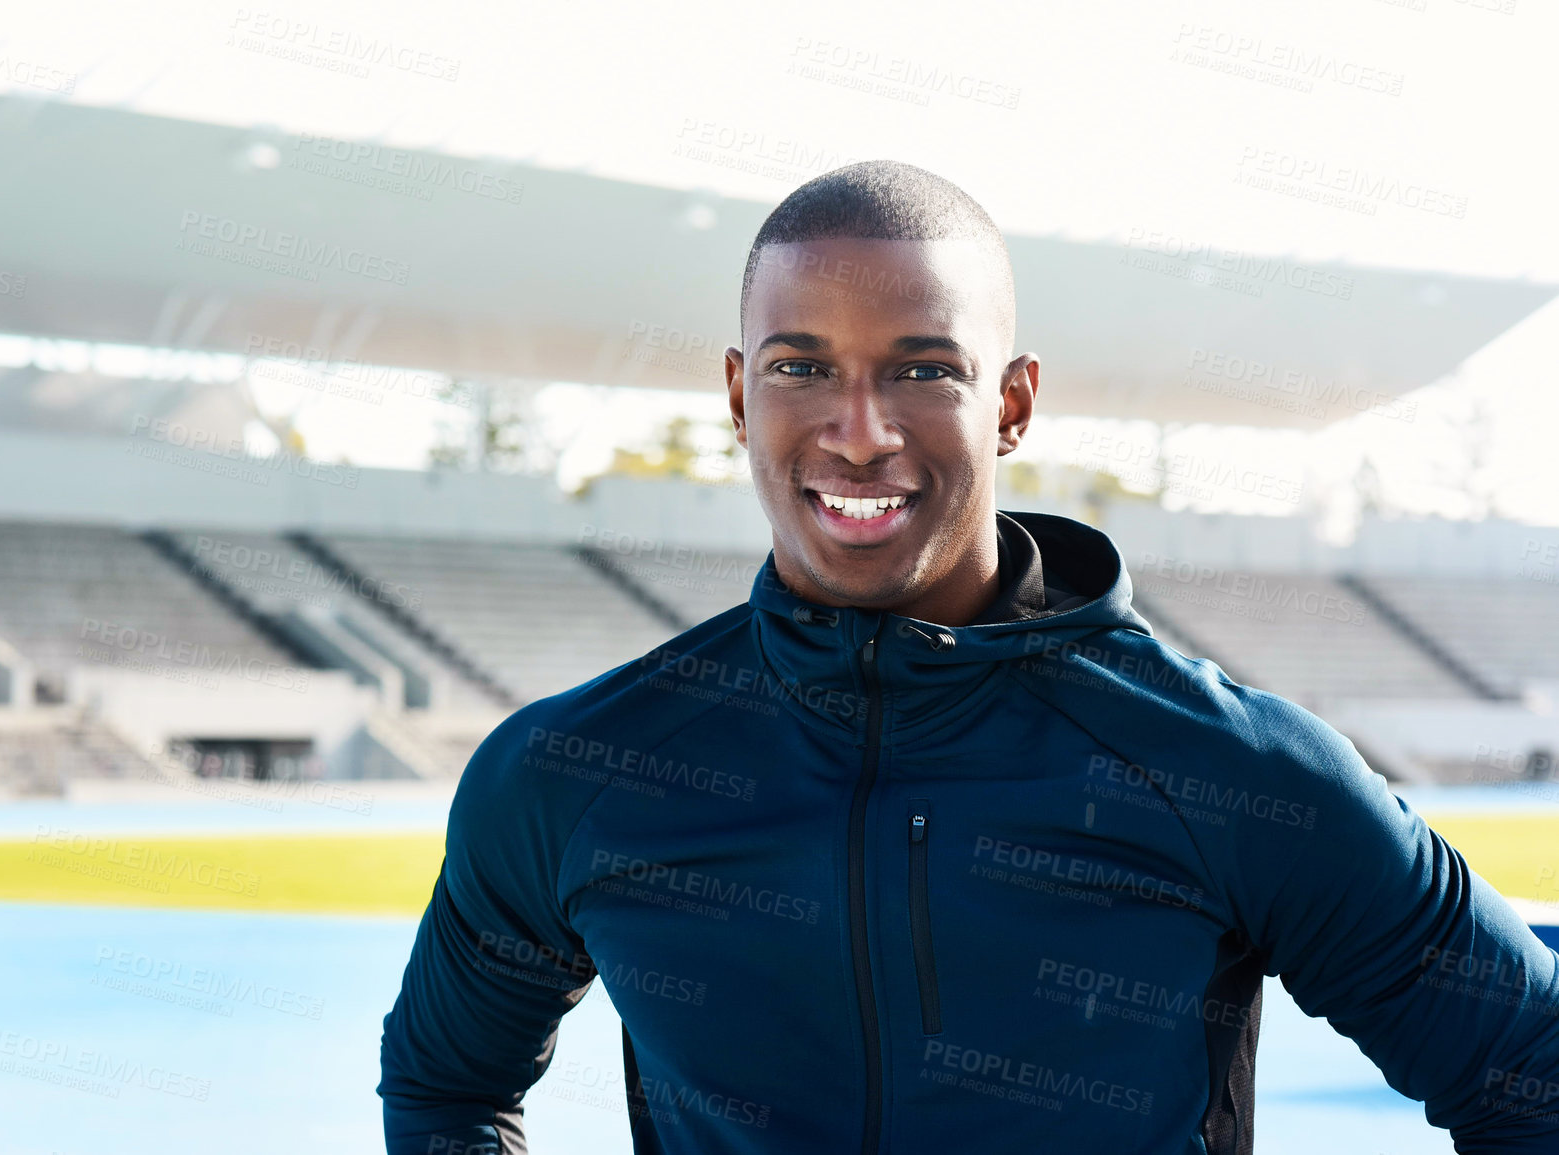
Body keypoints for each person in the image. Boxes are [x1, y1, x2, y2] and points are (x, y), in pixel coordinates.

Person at [378, 160, 1559, 1153]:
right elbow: (447, 1090)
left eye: (923, 370)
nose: (861, 432)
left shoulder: (1231, 769)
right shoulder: (575, 773)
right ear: (739, 395)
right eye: (801, 367)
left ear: (1013, 403)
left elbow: (1528, 1068)